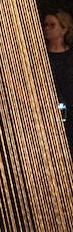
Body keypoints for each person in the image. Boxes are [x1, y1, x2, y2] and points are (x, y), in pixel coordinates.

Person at [43, 11, 73, 151]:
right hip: (45, 118)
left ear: (63, 29)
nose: (47, 28)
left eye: (52, 25)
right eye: (45, 25)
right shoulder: (40, 56)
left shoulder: (70, 57)